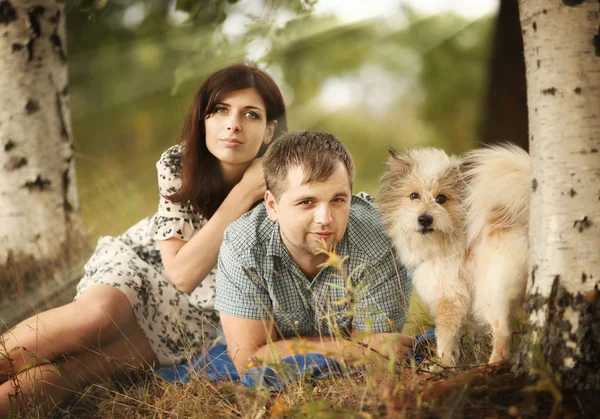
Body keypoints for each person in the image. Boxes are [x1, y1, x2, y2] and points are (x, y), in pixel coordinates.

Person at [0, 63, 287, 414]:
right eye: (220, 110)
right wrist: (244, 192)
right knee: (95, 317)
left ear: (270, 130)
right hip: (144, 264)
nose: (233, 124)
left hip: (196, 319)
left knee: (74, 371)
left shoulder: (282, 188)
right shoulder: (179, 164)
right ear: (203, 120)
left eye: (251, 115)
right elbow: (181, 274)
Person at [215, 130, 414, 374]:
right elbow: (248, 361)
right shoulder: (242, 246)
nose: (325, 218)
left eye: (338, 200)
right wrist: (350, 348)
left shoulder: (381, 242)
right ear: (272, 206)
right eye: (306, 202)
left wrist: (279, 350)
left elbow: (377, 360)